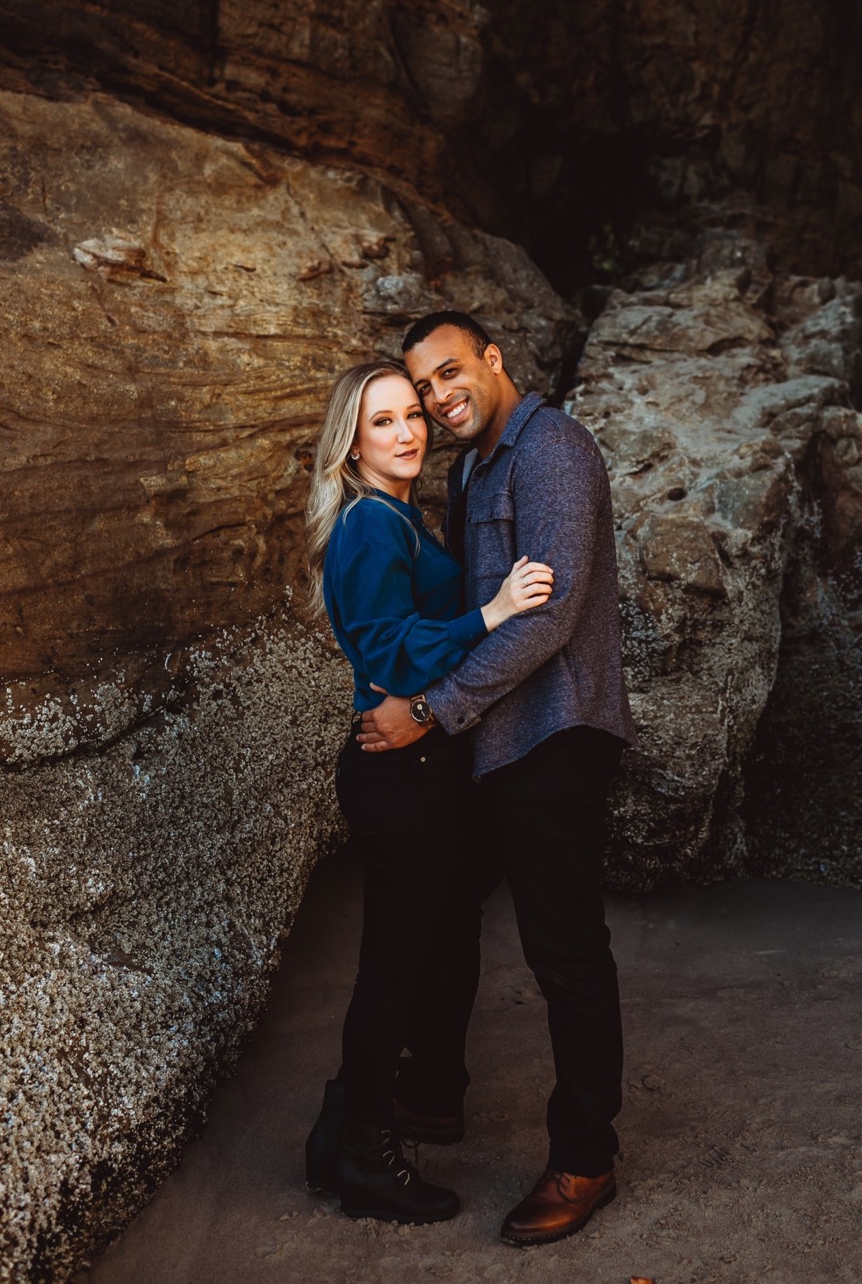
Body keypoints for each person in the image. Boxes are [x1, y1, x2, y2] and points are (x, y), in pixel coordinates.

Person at [357, 311, 637, 1248]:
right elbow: (469, 607)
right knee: (444, 908)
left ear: (493, 359)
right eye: (422, 387)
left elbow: (546, 619)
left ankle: (585, 1157)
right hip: (493, 739)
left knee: (564, 950)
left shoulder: (551, 449)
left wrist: (431, 707)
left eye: (448, 372)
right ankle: (434, 1093)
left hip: (555, 732)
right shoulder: (472, 466)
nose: (438, 397)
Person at [303, 359, 554, 1226]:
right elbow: (390, 651)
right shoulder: (371, 524)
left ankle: (339, 1133)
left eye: (412, 415)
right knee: (393, 974)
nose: (408, 433)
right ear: (351, 442)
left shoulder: (396, 517)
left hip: (413, 770)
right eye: (383, 422)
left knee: (410, 961)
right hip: (397, 775)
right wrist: (492, 612)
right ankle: (369, 1157)